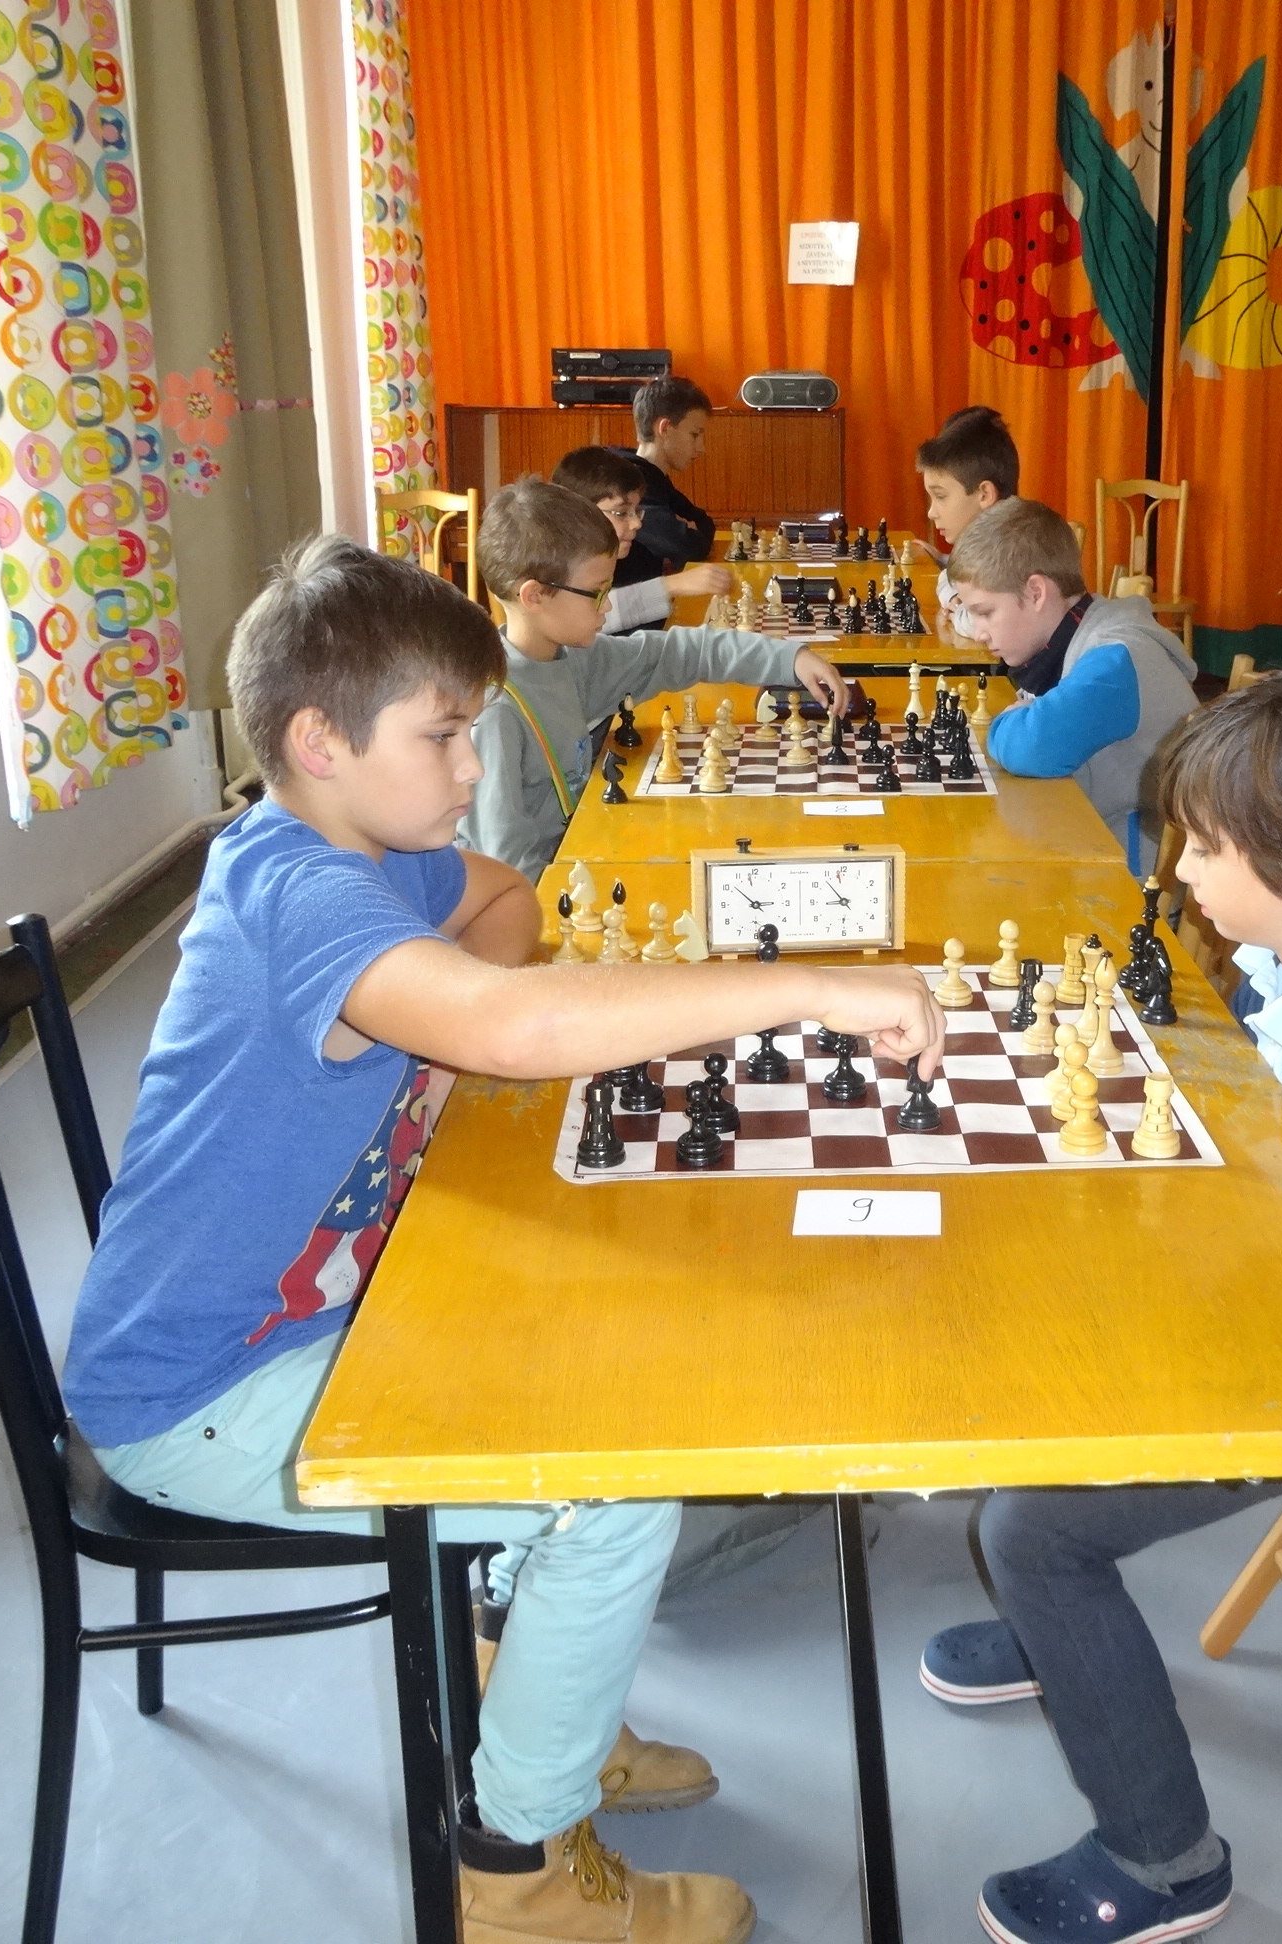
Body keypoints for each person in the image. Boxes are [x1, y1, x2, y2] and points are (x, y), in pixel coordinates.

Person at [62, 534, 943, 1944]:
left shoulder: (368, 854)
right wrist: (816, 990)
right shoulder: (296, 893)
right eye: (443, 736)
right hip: (201, 1393)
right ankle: (519, 1870)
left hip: (310, 1323)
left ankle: (539, 1715)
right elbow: (515, 1025)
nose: (474, 767)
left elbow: (503, 902)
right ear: (320, 742)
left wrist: (438, 1030)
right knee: (617, 1488)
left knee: (583, 1358)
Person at [915, 668, 1282, 1944]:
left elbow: (1274, 1285)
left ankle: (1165, 1860)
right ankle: (1062, 1641)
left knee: (1034, 1527)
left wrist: (1096, 1264)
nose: (1178, 867)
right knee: (1040, 1350)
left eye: (1204, 846)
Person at [463, 480, 848, 881]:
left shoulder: (574, 659)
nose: (608, 607)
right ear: (535, 596)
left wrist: (790, 658)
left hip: (579, 858)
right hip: (536, 893)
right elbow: (503, 870)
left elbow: (678, 653)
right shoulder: (495, 714)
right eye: (598, 592)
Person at [949, 496, 1197, 871]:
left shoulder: (1116, 659)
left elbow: (1030, 746)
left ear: (1036, 592)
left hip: (1138, 876)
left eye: (985, 612)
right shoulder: (1079, 638)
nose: (979, 632)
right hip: (1102, 839)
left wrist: (1012, 721)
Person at [549, 444, 732, 632]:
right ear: (578, 514)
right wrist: (671, 585)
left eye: (636, 511)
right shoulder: (549, 567)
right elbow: (582, 616)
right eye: (621, 513)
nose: (637, 523)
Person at [613, 374, 718, 573]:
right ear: (665, 428)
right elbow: (689, 547)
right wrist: (683, 532)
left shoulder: (655, 477)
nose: (701, 448)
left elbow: (704, 522)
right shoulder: (627, 481)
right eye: (694, 434)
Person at [916, 404, 1020, 556]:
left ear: (984, 494)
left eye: (940, 496)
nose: (931, 513)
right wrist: (942, 561)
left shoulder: (1009, 563)